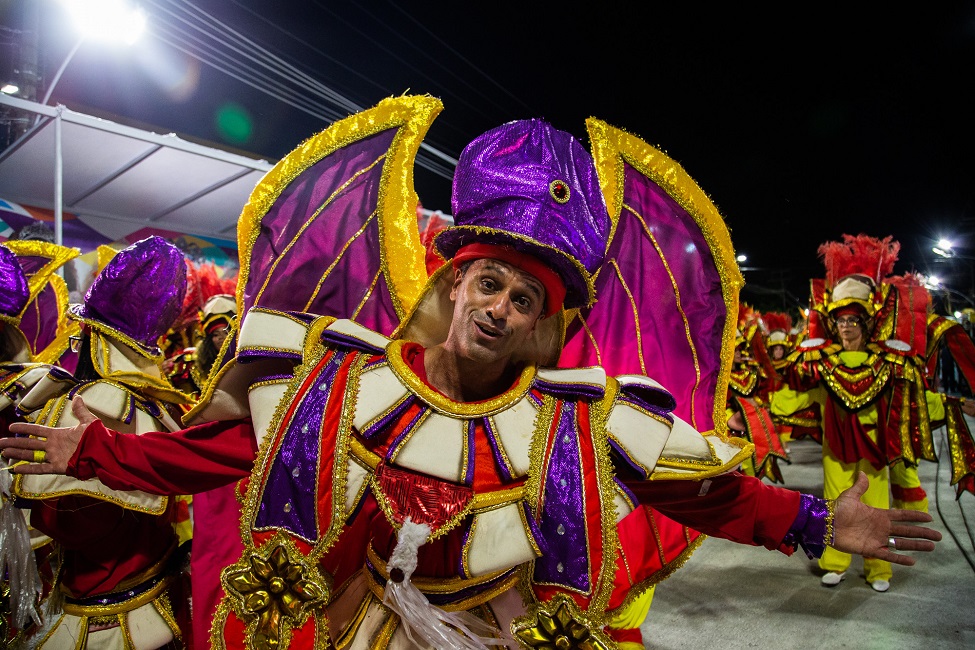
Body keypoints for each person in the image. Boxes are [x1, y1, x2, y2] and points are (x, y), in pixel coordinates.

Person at [2, 106, 941, 649]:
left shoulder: (580, 419)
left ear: (544, 324)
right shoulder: (332, 376)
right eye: (486, 281)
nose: (497, 306)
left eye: (525, 298)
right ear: (452, 283)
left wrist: (820, 519)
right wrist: (99, 448)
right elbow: (209, 453)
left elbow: (712, 496)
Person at [5, 236, 195, 649]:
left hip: (107, 617)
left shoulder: (87, 408)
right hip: (163, 594)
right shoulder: (160, 405)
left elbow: (66, 524)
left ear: (93, 336)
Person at [775, 235, 962, 593]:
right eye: (841, 321)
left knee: (878, 510)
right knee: (833, 507)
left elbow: (914, 401)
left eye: (853, 321)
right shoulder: (822, 365)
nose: (846, 327)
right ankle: (835, 562)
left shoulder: (887, 364)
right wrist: (754, 407)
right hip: (836, 453)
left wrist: (953, 405)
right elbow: (793, 399)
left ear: (864, 325)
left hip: (875, 452)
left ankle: (879, 570)